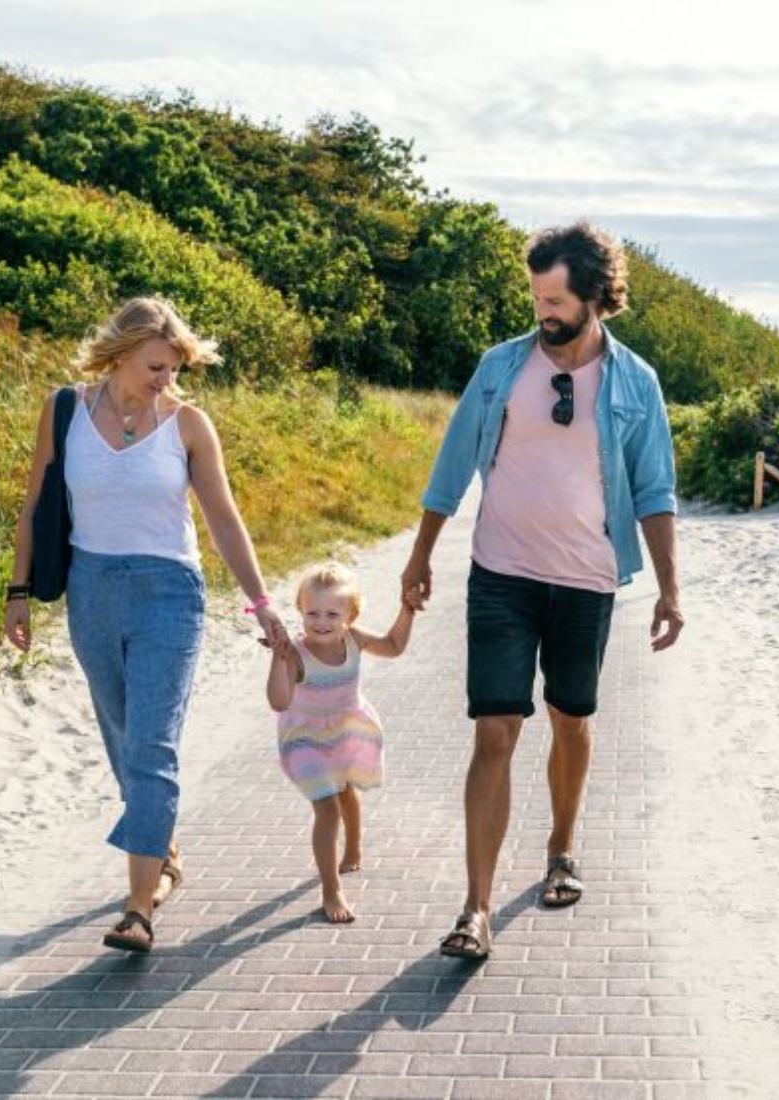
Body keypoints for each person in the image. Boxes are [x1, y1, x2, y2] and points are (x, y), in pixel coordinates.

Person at [400, 222, 685, 960]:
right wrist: (420, 556)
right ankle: (476, 909)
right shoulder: (502, 368)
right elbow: (453, 463)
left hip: (586, 580)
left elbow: (654, 488)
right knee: (495, 730)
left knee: (569, 718)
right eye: (535, 297)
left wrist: (668, 588)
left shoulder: (635, 382)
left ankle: (561, 847)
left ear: (596, 297)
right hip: (502, 573)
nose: (542, 312)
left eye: (555, 299)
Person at [4, 296, 287, 954]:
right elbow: (35, 502)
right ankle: (162, 849)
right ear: (123, 353)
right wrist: (17, 592)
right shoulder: (65, 409)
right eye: (158, 366)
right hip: (90, 592)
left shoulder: (188, 425)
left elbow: (222, 517)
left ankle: (139, 907)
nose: (169, 379)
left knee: (152, 746)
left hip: (170, 594)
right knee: (124, 743)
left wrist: (261, 601)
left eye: (177, 368)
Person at [265, 562, 420, 923]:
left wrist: (407, 609)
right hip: (303, 738)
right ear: (300, 611)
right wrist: (278, 655)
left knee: (347, 789)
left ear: (351, 615)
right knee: (327, 807)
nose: (321, 621)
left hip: (346, 729)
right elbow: (277, 701)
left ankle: (353, 845)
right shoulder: (295, 652)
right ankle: (331, 890)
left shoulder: (355, 639)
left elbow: (394, 645)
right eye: (312, 612)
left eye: (332, 613)